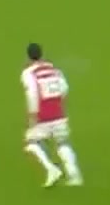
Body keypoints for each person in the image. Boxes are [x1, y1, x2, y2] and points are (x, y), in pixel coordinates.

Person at [22, 43, 83, 187]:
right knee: (62, 143)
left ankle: (52, 169)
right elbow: (64, 88)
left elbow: (32, 94)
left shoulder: (29, 73)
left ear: (28, 57)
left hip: (43, 116)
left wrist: (33, 115)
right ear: (42, 54)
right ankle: (75, 176)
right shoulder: (55, 70)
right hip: (58, 113)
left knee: (31, 143)